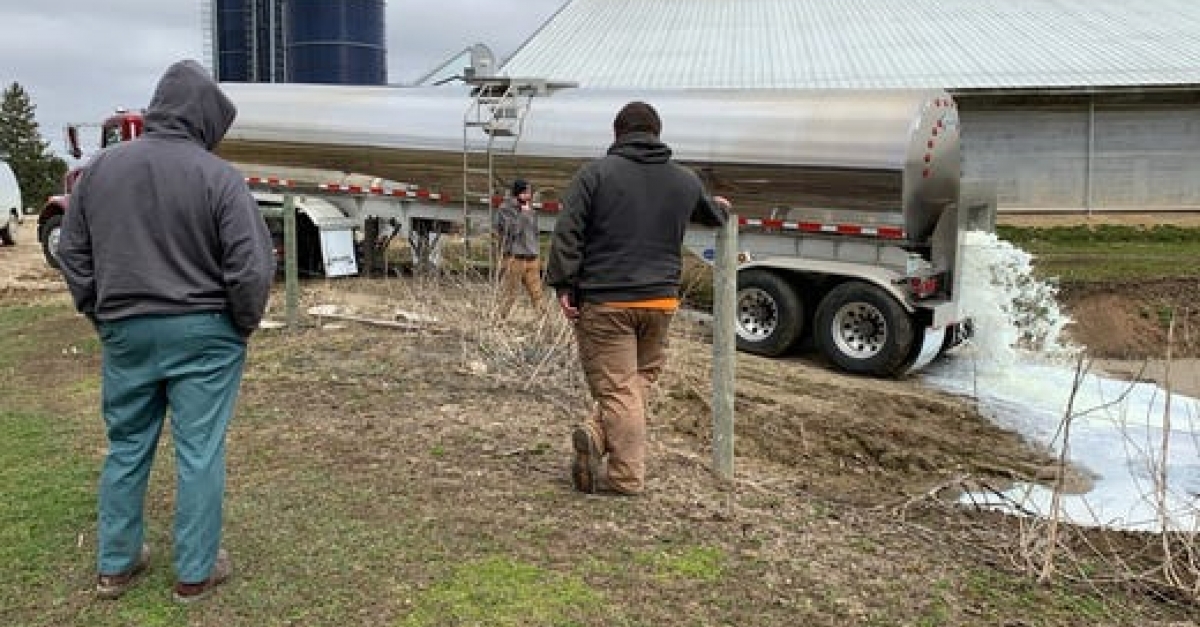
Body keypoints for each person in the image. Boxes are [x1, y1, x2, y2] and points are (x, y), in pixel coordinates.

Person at [58, 59, 275, 603]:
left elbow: (73, 252)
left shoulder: (100, 171)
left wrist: (98, 311)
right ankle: (195, 574)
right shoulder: (219, 177)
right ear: (203, 118)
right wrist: (241, 324)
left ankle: (116, 565)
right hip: (205, 333)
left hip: (126, 329)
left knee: (127, 445)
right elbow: (251, 264)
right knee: (199, 449)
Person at [545, 101, 729, 496]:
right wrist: (720, 209)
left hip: (606, 303)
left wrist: (563, 285)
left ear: (617, 134)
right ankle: (596, 436)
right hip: (660, 303)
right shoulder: (685, 180)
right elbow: (713, 216)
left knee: (617, 390)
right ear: (657, 134)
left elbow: (568, 232)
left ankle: (626, 478)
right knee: (635, 382)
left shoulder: (594, 175)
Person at [494, 178, 546, 317]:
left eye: (530, 192)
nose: (529, 196)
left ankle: (544, 324)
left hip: (532, 257)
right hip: (515, 258)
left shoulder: (530, 209)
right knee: (509, 294)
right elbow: (511, 231)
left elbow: (534, 232)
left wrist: (537, 252)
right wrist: (523, 214)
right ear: (518, 193)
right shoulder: (505, 209)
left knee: (537, 294)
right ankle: (500, 320)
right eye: (526, 192)